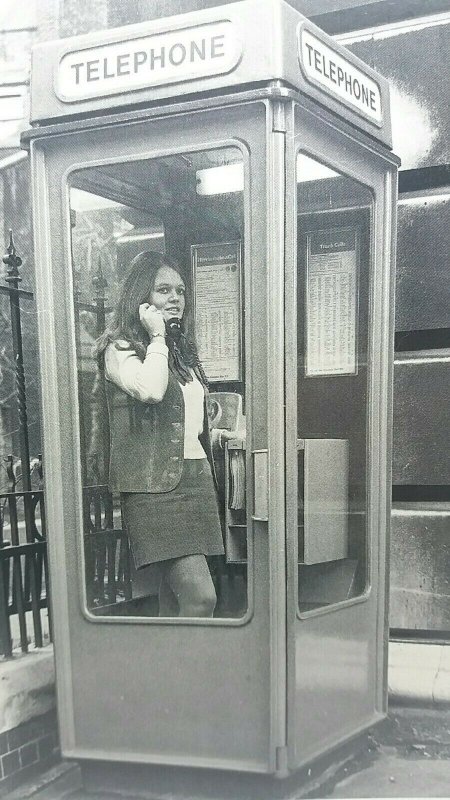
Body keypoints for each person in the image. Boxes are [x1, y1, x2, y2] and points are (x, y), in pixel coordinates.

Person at [96, 251, 231, 618]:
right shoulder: (120, 350)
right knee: (201, 598)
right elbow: (152, 391)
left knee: (174, 600)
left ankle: (166, 672)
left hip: (195, 480)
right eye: (163, 290)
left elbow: (191, 419)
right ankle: (186, 676)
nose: (175, 299)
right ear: (142, 298)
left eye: (181, 291)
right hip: (155, 489)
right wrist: (156, 336)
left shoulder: (179, 351)